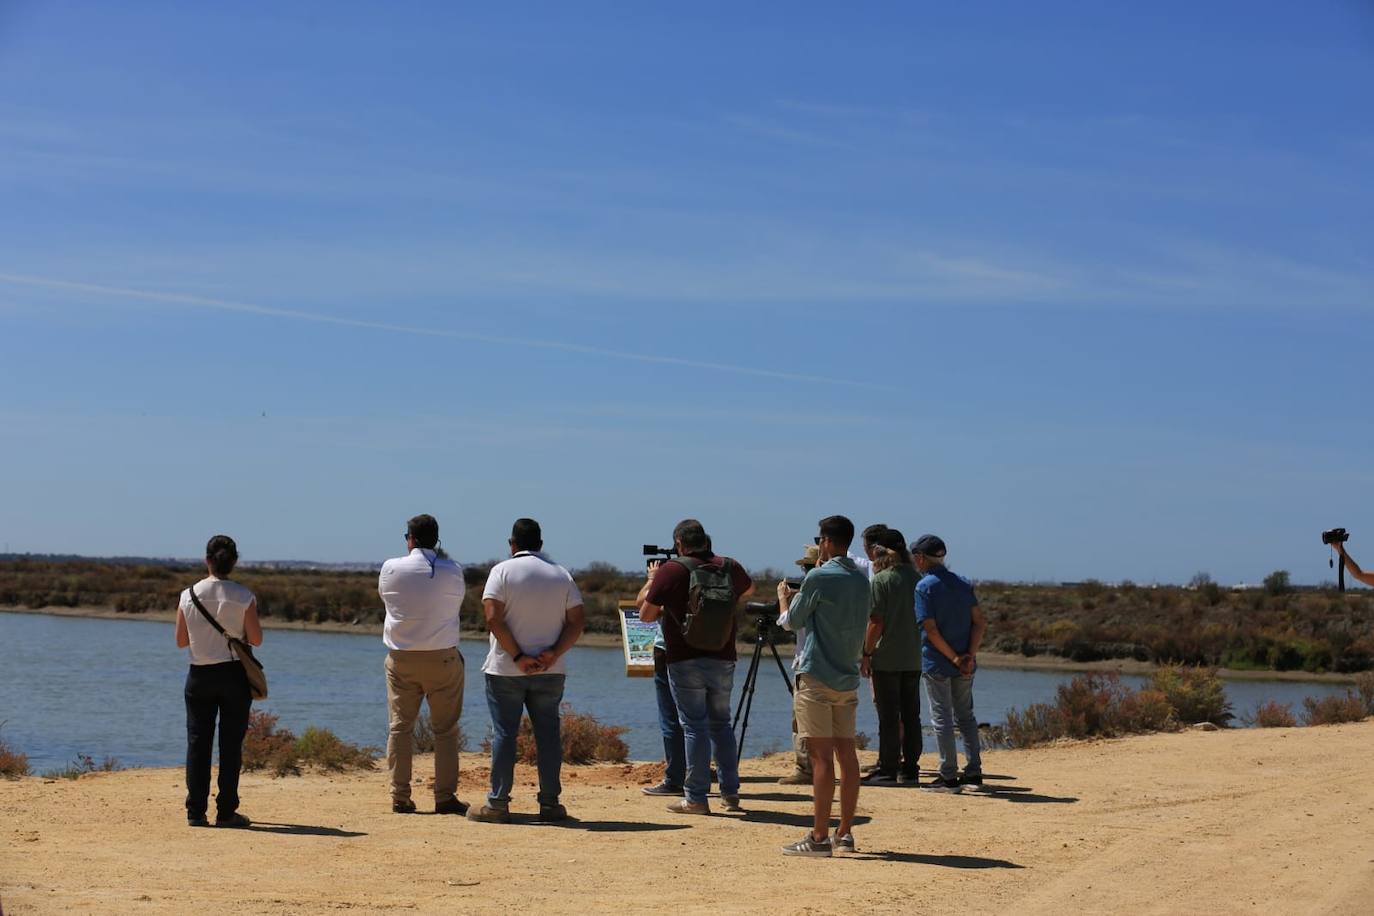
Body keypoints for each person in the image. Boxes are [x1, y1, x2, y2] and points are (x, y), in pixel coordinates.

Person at [468, 519, 586, 824]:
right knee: (548, 736)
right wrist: (553, 653)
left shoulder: (501, 571)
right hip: (550, 670)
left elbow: (493, 618)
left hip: (506, 669)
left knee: (505, 734)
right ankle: (549, 804)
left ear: (512, 544)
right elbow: (577, 622)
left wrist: (519, 656)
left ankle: (498, 803)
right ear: (541, 544)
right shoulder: (562, 575)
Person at [637, 519, 754, 815]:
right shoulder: (730, 566)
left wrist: (658, 587)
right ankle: (730, 795)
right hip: (723, 655)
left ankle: (697, 798)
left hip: (684, 656)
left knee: (693, 727)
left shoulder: (672, 570)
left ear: (679, 544)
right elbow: (749, 590)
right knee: (721, 724)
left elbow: (647, 615)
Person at [776, 515, 870, 857]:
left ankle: (818, 836)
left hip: (816, 675)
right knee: (847, 754)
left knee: (820, 758)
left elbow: (794, 622)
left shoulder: (818, 577)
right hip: (847, 676)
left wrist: (785, 600)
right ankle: (844, 832)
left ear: (827, 541)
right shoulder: (862, 580)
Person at [379, 513, 468, 815]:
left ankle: (399, 795)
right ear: (437, 540)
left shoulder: (391, 568)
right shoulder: (453, 570)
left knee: (400, 728)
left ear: (410, 539)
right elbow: (455, 605)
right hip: (443, 657)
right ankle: (444, 796)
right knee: (445, 730)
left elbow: (388, 602)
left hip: (402, 657)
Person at [175, 534, 262, 828]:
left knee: (198, 743)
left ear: (207, 560)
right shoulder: (244, 596)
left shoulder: (188, 595)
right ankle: (226, 811)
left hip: (199, 675)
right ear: (234, 562)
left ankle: (195, 811)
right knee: (230, 744)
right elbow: (257, 639)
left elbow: (180, 641)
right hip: (233, 674)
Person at [912, 534, 987, 793]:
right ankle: (974, 771)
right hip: (965, 663)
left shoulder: (925, 587)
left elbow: (930, 630)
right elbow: (980, 622)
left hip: (937, 663)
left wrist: (955, 658)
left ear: (921, 558)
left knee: (942, 717)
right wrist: (969, 655)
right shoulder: (963, 584)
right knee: (966, 715)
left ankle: (948, 776)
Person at [860, 528, 922, 785]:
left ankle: (887, 768)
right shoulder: (917, 578)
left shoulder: (882, 580)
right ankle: (910, 769)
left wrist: (866, 653)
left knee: (888, 716)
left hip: (887, 657)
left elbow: (876, 621)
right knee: (911, 715)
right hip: (913, 656)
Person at [777, 544, 820, 786]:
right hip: (834, 665)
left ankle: (805, 769)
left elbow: (787, 623)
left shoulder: (810, 591)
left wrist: (784, 600)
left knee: (801, 719)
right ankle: (823, 764)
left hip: (806, 663)